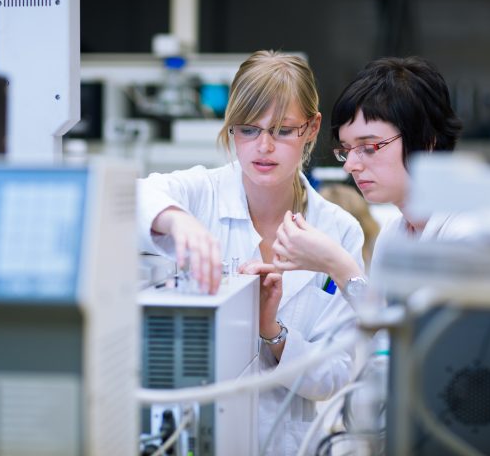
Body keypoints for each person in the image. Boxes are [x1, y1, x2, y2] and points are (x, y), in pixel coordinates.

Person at [137, 50, 365, 455]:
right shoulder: (201, 194)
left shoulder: (337, 230)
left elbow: (333, 375)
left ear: (311, 129)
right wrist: (179, 221)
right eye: (247, 130)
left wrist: (271, 331)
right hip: (197, 434)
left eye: (281, 130)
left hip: (287, 444)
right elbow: (135, 196)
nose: (263, 146)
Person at [272, 55, 466, 299]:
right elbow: (384, 334)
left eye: (368, 147)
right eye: (346, 150)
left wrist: (338, 265)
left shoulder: (466, 235)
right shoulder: (393, 235)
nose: (350, 166)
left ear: (426, 142)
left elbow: (423, 333)